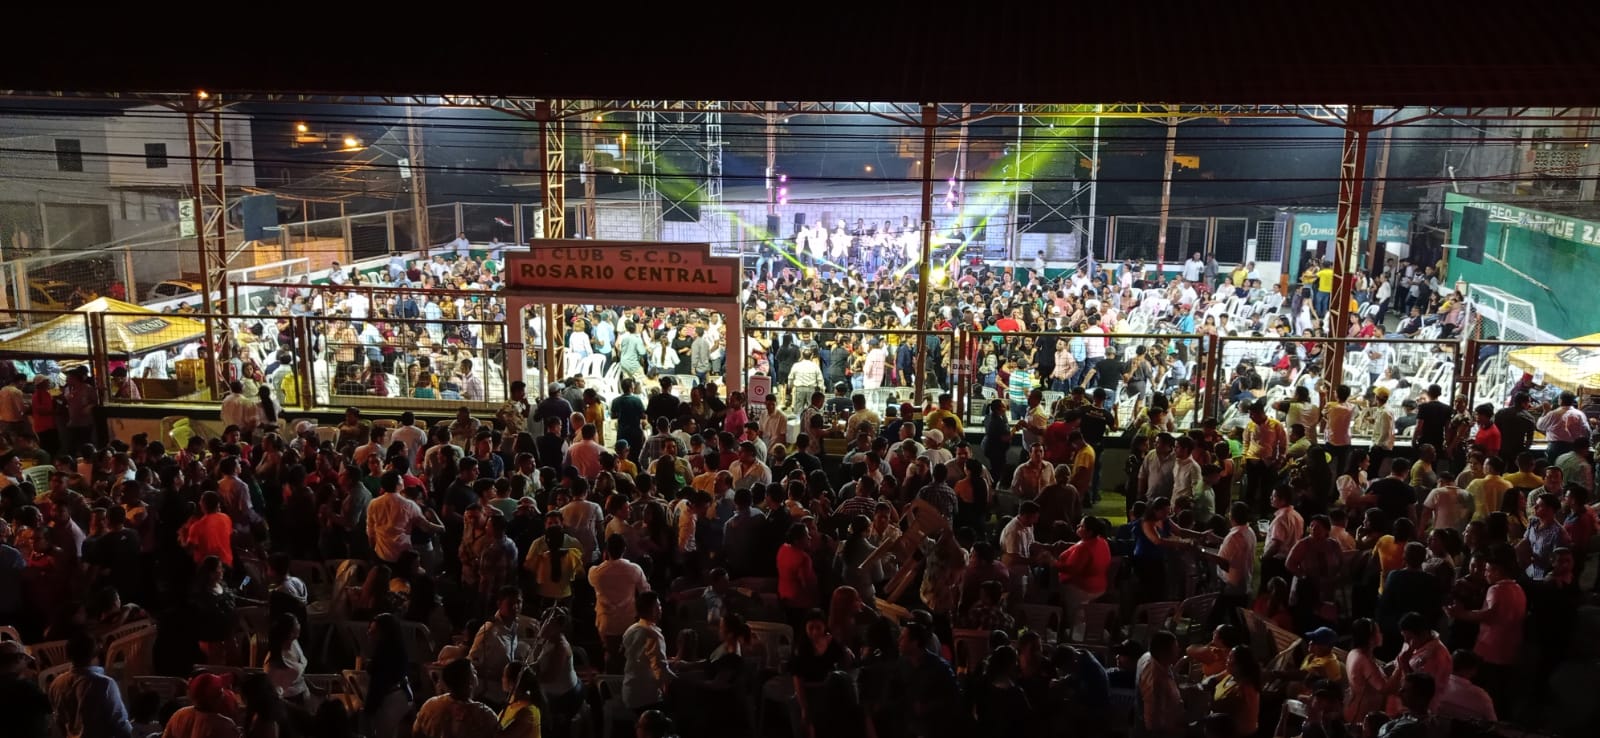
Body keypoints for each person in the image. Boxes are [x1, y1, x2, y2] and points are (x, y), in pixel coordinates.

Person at [50, 632, 132, 738]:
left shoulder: (56, 683)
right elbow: (120, 724)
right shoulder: (105, 684)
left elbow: (59, 721)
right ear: (96, 653)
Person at [413, 659, 499, 738]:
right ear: (469, 682)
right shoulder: (484, 715)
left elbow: (416, 732)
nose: (476, 672)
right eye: (473, 671)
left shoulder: (430, 706)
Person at [621, 591, 677, 711]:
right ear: (651, 610)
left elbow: (640, 659)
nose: (661, 609)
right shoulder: (652, 635)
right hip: (646, 697)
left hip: (629, 691)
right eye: (658, 606)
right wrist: (679, 681)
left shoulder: (631, 629)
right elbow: (660, 669)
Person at [1137, 631, 1185, 738]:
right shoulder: (1155, 680)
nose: (1179, 650)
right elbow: (1152, 720)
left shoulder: (1160, 662)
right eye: (1175, 648)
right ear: (1163, 653)